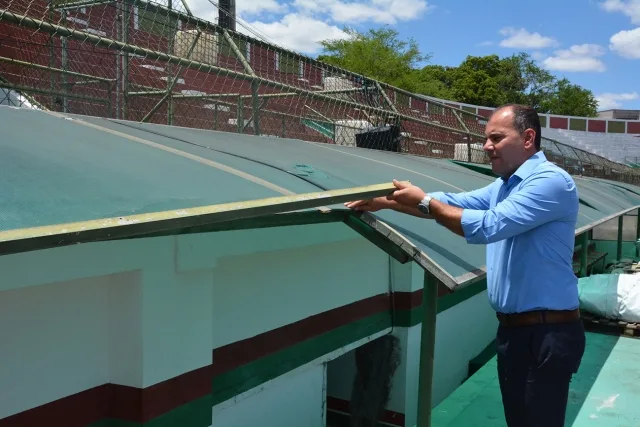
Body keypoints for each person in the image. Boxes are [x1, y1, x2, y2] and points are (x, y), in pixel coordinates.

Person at [345, 104, 586, 427]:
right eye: (486, 139)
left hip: (546, 333)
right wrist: (382, 202)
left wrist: (425, 201)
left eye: (496, 138)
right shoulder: (505, 186)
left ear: (528, 138)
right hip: (515, 331)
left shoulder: (550, 183)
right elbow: (452, 202)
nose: (487, 146)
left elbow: (487, 225)